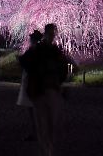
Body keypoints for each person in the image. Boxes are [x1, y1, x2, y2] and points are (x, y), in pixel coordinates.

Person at [19, 23, 70, 156]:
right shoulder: (43, 49)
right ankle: (46, 151)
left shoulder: (51, 50)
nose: (53, 35)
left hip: (48, 89)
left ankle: (47, 150)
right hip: (42, 90)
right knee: (44, 123)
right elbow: (25, 61)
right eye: (51, 32)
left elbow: (24, 61)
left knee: (49, 124)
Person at [17, 29, 44, 141]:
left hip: (32, 81)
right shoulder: (42, 50)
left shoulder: (33, 50)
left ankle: (36, 133)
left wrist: (20, 59)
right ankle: (39, 132)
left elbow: (25, 62)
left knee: (33, 110)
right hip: (39, 81)